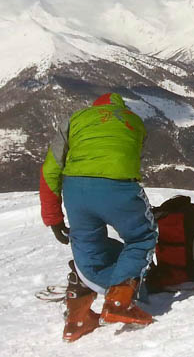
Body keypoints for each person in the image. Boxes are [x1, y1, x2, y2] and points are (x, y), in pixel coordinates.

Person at [39, 92, 157, 341]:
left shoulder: (76, 119)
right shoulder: (134, 121)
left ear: (94, 107)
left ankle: (77, 319)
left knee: (89, 250)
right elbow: (130, 159)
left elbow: (50, 169)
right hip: (119, 188)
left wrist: (53, 217)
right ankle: (118, 303)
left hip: (75, 190)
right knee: (141, 237)